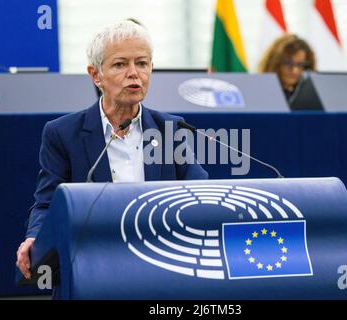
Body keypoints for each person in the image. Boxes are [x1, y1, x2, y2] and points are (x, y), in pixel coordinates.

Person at [16, 20, 208, 280]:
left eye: (141, 63)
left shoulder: (171, 129)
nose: (134, 73)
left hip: (162, 265)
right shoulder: (62, 133)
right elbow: (47, 204)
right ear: (96, 75)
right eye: (120, 64)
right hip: (93, 267)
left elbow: (200, 194)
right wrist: (33, 238)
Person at [257, 34, 316, 101]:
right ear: (274, 63)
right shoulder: (259, 96)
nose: (294, 70)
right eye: (288, 63)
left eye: (300, 65)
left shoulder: (311, 100)